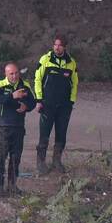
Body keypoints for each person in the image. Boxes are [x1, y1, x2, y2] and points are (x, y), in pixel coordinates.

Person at [33, 34, 79, 175]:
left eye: (60, 45)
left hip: (64, 106)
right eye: (55, 45)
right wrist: (39, 100)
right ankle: (41, 163)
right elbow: (37, 80)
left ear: (64, 47)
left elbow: (75, 83)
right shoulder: (45, 60)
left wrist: (71, 101)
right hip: (47, 104)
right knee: (44, 134)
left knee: (61, 134)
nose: (57, 47)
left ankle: (56, 161)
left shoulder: (71, 62)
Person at [0, 62, 37, 195]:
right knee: (1, 157)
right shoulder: (0, 85)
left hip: (19, 127)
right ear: (6, 74)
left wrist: (26, 107)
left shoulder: (25, 86)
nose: (14, 76)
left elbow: (33, 102)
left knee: (16, 157)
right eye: (11, 73)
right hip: (4, 127)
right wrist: (12, 96)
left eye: (16, 73)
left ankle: (12, 185)